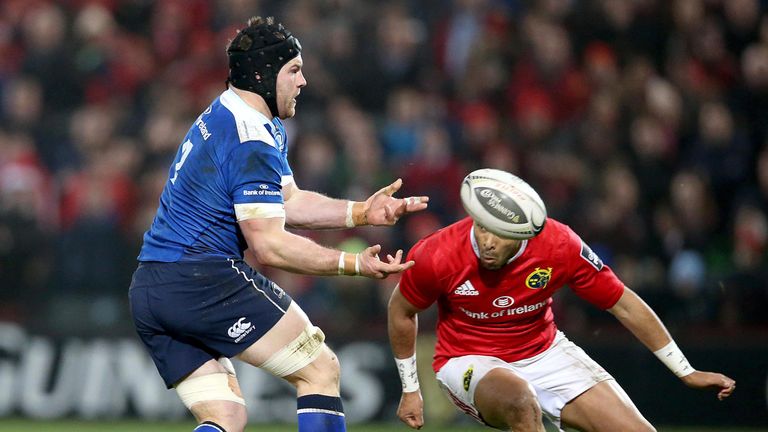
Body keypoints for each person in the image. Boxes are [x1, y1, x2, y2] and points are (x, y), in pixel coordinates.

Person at [128, 16, 428, 432]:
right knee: (320, 369)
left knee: (225, 416)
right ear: (263, 75)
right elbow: (269, 246)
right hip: (201, 279)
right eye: (294, 70)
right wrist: (355, 264)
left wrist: (360, 213)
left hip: (152, 288)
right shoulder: (251, 139)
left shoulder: (233, 115)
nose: (303, 81)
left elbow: (287, 201)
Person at [387, 169, 735, 432]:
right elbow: (402, 311)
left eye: (501, 233)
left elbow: (623, 303)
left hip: (545, 351)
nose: (488, 241)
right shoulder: (437, 253)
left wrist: (685, 370)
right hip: (468, 359)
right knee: (521, 402)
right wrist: (410, 389)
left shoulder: (559, 245)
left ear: (524, 233)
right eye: (482, 226)